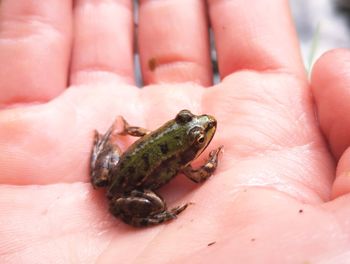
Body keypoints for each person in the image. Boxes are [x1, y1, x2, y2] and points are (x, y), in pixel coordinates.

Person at [0, 0, 349, 263]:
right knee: (155, 201)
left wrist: (111, 138)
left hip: (118, 171)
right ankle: (158, 213)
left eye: (194, 129)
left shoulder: (153, 133)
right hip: (131, 188)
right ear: (183, 142)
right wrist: (209, 164)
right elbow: (196, 178)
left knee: (106, 175)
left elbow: (137, 132)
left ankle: (110, 157)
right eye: (196, 135)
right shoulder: (184, 164)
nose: (203, 124)